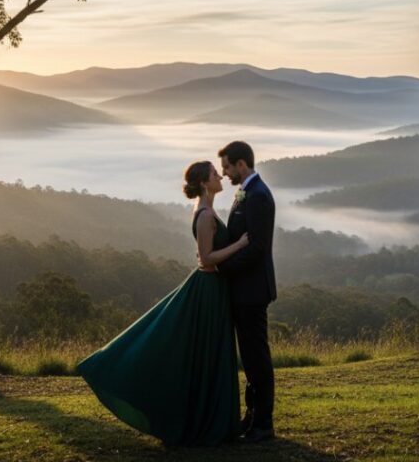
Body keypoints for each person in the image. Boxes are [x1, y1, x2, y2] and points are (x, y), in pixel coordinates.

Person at [76, 161, 247, 446]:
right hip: (208, 289)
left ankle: (213, 419)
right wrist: (239, 245)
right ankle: (207, 422)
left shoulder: (206, 210)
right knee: (206, 352)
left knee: (207, 353)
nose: (220, 176)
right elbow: (206, 258)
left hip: (212, 288)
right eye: (215, 174)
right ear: (205, 183)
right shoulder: (205, 215)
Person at [201, 141, 277, 443]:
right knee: (249, 356)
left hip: (252, 291)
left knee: (257, 357)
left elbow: (257, 249)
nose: (225, 173)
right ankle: (251, 416)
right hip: (243, 290)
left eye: (227, 168)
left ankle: (264, 423)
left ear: (242, 165)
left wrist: (221, 268)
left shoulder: (258, 196)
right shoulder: (247, 192)